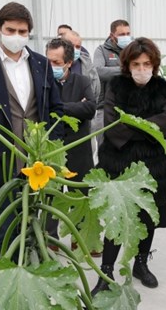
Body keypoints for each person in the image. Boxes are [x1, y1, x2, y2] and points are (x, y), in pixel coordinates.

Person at [0, 2, 63, 257]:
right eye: (11, 30)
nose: (16, 36)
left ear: (29, 33)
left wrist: (52, 145)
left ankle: (25, 271)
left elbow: (56, 109)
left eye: (22, 31)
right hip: (0, 163)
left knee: (30, 225)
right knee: (3, 229)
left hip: (36, 163)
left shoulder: (42, 64)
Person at [91, 37, 166, 296]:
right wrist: (147, 128)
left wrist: (135, 126)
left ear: (155, 64)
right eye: (136, 64)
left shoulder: (162, 88)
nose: (142, 69)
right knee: (119, 215)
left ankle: (141, 263)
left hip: (155, 165)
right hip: (120, 161)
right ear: (127, 65)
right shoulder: (116, 86)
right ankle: (106, 271)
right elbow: (113, 123)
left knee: (149, 215)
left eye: (147, 64)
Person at [45, 37, 97, 252]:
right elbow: (43, 112)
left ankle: (81, 237)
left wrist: (59, 108)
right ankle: (51, 237)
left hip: (78, 146)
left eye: (56, 63)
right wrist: (74, 107)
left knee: (80, 193)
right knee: (52, 193)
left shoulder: (82, 81)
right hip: (53, 146)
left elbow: (91, 109)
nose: (51, 67)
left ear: (68, 63)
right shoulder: (43, 82)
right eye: (48, 61)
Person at [92, 19, 132, 148]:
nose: (125, 37)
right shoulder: (102, 50)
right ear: (112, 36)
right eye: (121, 34)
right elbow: (98, 71)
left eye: (128, 33)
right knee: (104, 146)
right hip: (105, 107)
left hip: (130, 107)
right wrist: (125, 70)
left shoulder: (134, 51)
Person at [62, 30, 100, 102]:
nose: (75, 49)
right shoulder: (53, 64)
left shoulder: (87, 63)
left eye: (78, 46)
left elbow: (96, 88)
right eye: (71, 45)